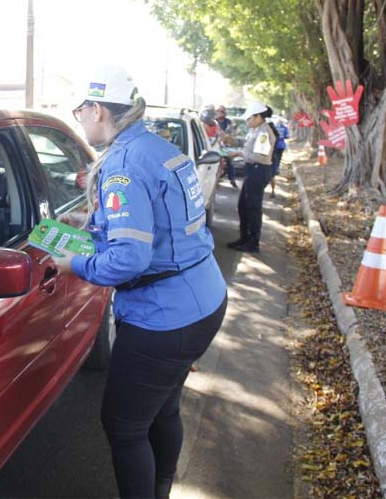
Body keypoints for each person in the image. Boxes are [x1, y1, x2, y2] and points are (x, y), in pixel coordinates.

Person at [52, 65, 227, 499]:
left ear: (97, 109)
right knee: (163, 407)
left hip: (163, 318)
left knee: (124, 426)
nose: (80, 120)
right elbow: (164, 222)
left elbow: (129, 260)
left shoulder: (122, 167)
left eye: (80, 111)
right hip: (202, 298)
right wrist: (94, 225)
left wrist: (75, 265)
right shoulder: (156, 148)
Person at [226, 102, 276, 253]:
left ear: (258, 117)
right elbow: (248, 146)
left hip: (258, 170)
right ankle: (244, 237)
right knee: (243, 206)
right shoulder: (256, 130)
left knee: (253, 208)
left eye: (249, 118)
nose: (247, 122)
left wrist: (239, 154)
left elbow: (260, 157)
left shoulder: (264, 133)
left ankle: (253, 242)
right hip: (252, 170)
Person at [269, 117, 289, 198]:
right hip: (280, 146)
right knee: (278, 159)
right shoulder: (284, 128)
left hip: (268, 156)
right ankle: (272, 191)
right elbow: (287, 136)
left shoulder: (270, 135)